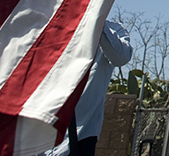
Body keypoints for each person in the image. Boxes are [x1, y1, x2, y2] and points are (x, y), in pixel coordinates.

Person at [48, 19, 133, 156]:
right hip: (41, 129)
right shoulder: (54, 24)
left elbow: (121, 57)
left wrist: (97, 22)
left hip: (82, 132)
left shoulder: (114, 29)